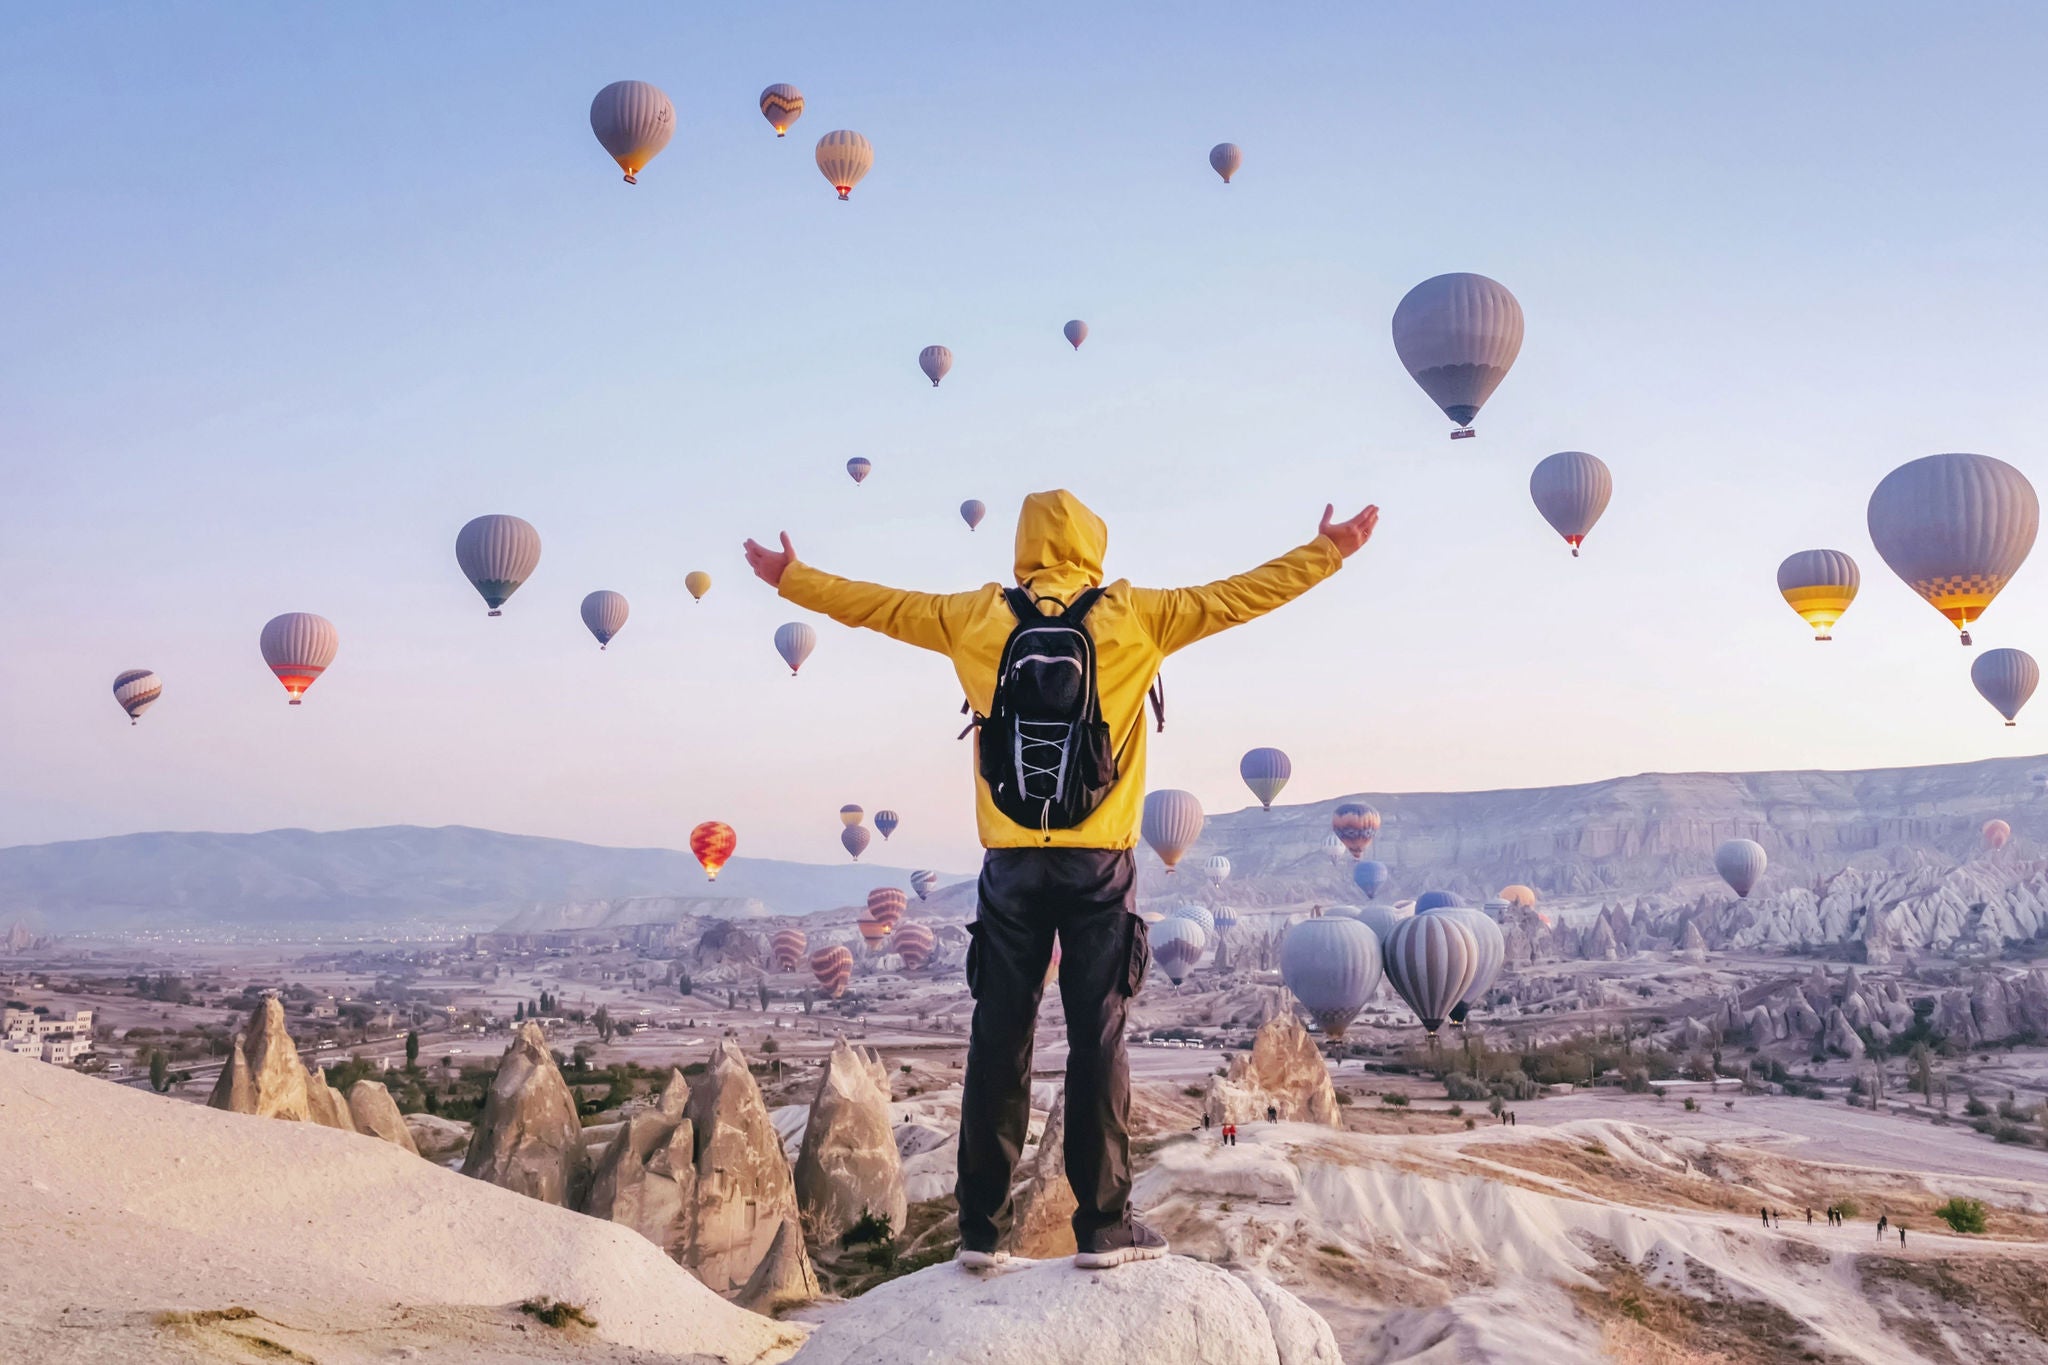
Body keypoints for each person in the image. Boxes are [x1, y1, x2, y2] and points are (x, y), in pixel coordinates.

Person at [746, 491, 1375, 1270]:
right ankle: (1104, 1228)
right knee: (1096, 1043)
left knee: (997, 1040)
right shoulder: (1137, 613)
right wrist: (1328, 551)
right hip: (1099, 868)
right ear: (1093, 545)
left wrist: (791, 578)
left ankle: (978, 1230)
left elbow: (877, 606)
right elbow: (1240, 595)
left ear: (1021, 545)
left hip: (1009, 866)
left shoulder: (976, 616)